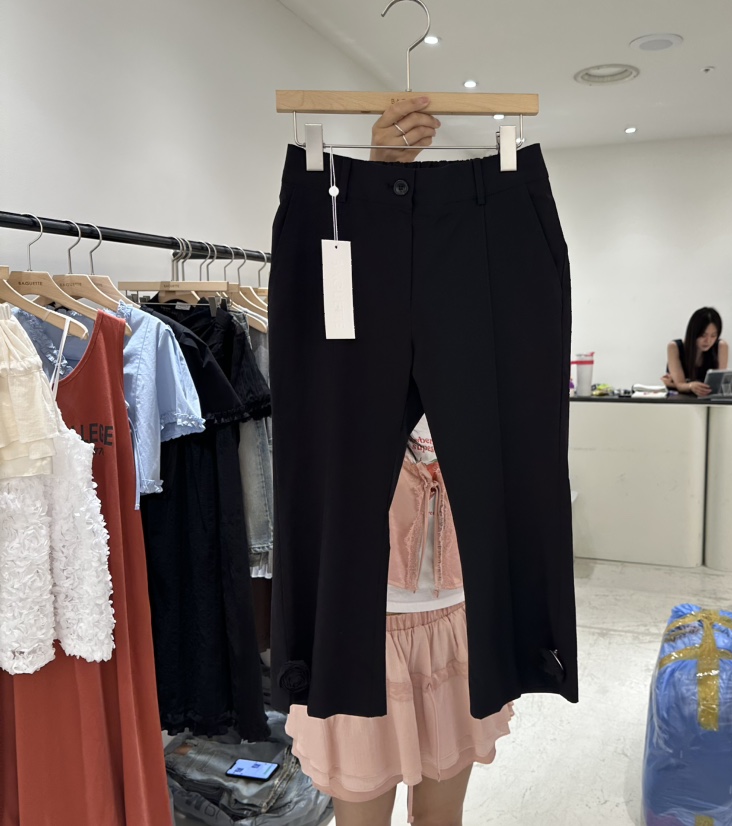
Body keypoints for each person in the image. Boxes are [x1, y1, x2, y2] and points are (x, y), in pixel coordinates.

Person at [284, 99, 512, 826]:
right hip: (361, 629)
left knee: (442, 820)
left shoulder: (480, 378)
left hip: (455, 625)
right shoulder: (345, 372)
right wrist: (378, 183)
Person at [663, 307, 728, 397]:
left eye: (713, 335)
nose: (708, 341)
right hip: (680, 400)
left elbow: (718, 384)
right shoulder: (674, 347)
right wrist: (689, 386)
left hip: (709, 400)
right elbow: (680, 384)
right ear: (694, 333)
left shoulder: (721, 346)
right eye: (703, 335)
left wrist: (677, 385)